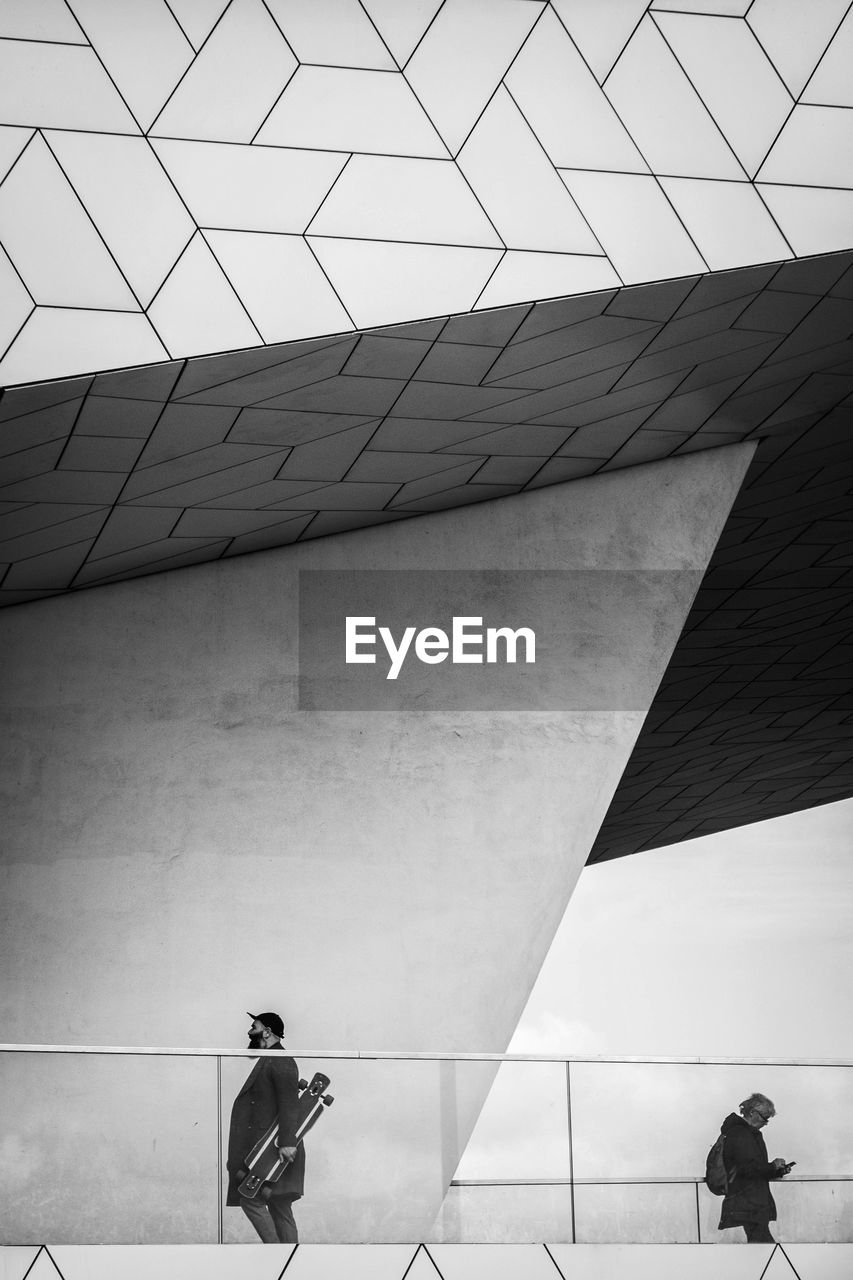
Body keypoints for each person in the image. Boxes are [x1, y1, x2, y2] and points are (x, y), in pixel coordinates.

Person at [226, 1011, 305, 1244]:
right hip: (272, 1147)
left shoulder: (280, 1060)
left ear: (267, 1032)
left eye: (254, 1026)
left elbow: (289, 1104)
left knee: (251, 1199)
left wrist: (288, 1142)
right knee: (279, 1205)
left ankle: (276, 1255)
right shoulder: (272, 1059)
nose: (250, 1031)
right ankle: (289, 1259)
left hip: (275, 1149)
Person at [718, 1092, 792, 1243]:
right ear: (752, 1112)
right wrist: (773, 1166)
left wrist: (776, 1170)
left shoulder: (745, 1133)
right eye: (765, 1117)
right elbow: (748, 1169)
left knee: (759, 1246)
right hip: (750, 1203)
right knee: (764, 1247)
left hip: (750, 1201)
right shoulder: (741, 1134)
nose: (766, 1122)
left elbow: (752, 1167)